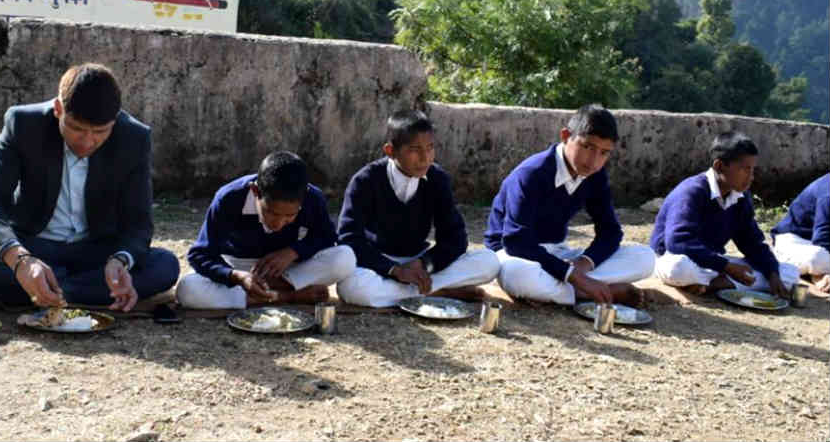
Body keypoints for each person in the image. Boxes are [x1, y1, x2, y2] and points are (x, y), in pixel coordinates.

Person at [0, 63, 180, 314]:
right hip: (32, 244)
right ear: (58, 110)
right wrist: (20, 259)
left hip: (96, 253)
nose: (88, 142)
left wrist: (120, 260)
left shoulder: (134, 137)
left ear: (115, 119)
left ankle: (21, 290)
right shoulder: (23, 124)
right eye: (77, 129)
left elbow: (139, 222)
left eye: (100, 132)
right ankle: (55, 287)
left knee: (165, 266)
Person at [484, 104, 655, 306]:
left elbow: (610, 232)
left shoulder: (595, 176)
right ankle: (588, 293)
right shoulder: (532, 174)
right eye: (587, 147)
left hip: (558, 253)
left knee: (644, 257)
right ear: (566, 136)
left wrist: (582, 266)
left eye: (604, 153)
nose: (593, 161)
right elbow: (516, 241)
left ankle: (561, 291)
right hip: (514, 253)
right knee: (517, 276)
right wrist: (572, 275)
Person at [336, 109, 499, 307]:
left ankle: (410, 291)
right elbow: (349, 238)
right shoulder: (365, 180)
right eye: (415, 150)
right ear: (390, 151)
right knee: (350, 287)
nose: (425, 158)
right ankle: (438, 290)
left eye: (430, 148)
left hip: (419, 261)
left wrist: (423, 264)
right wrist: (395, 270)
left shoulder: (437, 179)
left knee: (488, 261)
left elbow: (455, 238)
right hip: (380, 262)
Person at [178, 151, 355, 309]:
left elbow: (326, 237)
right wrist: (236, 276)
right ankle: (288, 296)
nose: (278, 224)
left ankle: (266, 290)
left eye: (290, 216)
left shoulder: (312, 198)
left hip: (287, 270)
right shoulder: (229, 198)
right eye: (271, 213)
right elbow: (200, 254)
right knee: (188, 290)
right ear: (255, 191)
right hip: (238, 267)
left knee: (345, 257)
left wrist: (293, 252)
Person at [650, 132, 799, 297]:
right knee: (678, 268)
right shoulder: (692, 192)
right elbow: (678, 242)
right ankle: (718, 282)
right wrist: (726, 267)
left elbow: (753, 243)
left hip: (713, 263)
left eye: (753, 170)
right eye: (745, 169)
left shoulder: (740, 197)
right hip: (676, 258)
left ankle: (714, 284)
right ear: (719, 166)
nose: (751, 177)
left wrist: (772, 274)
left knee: (789, 273)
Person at [771, 173, 829, 293]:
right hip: (794, 242)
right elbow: (823, 238)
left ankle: (819, 273)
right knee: (817, 258)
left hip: (818, 245)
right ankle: (819, 272)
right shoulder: (828, 193)